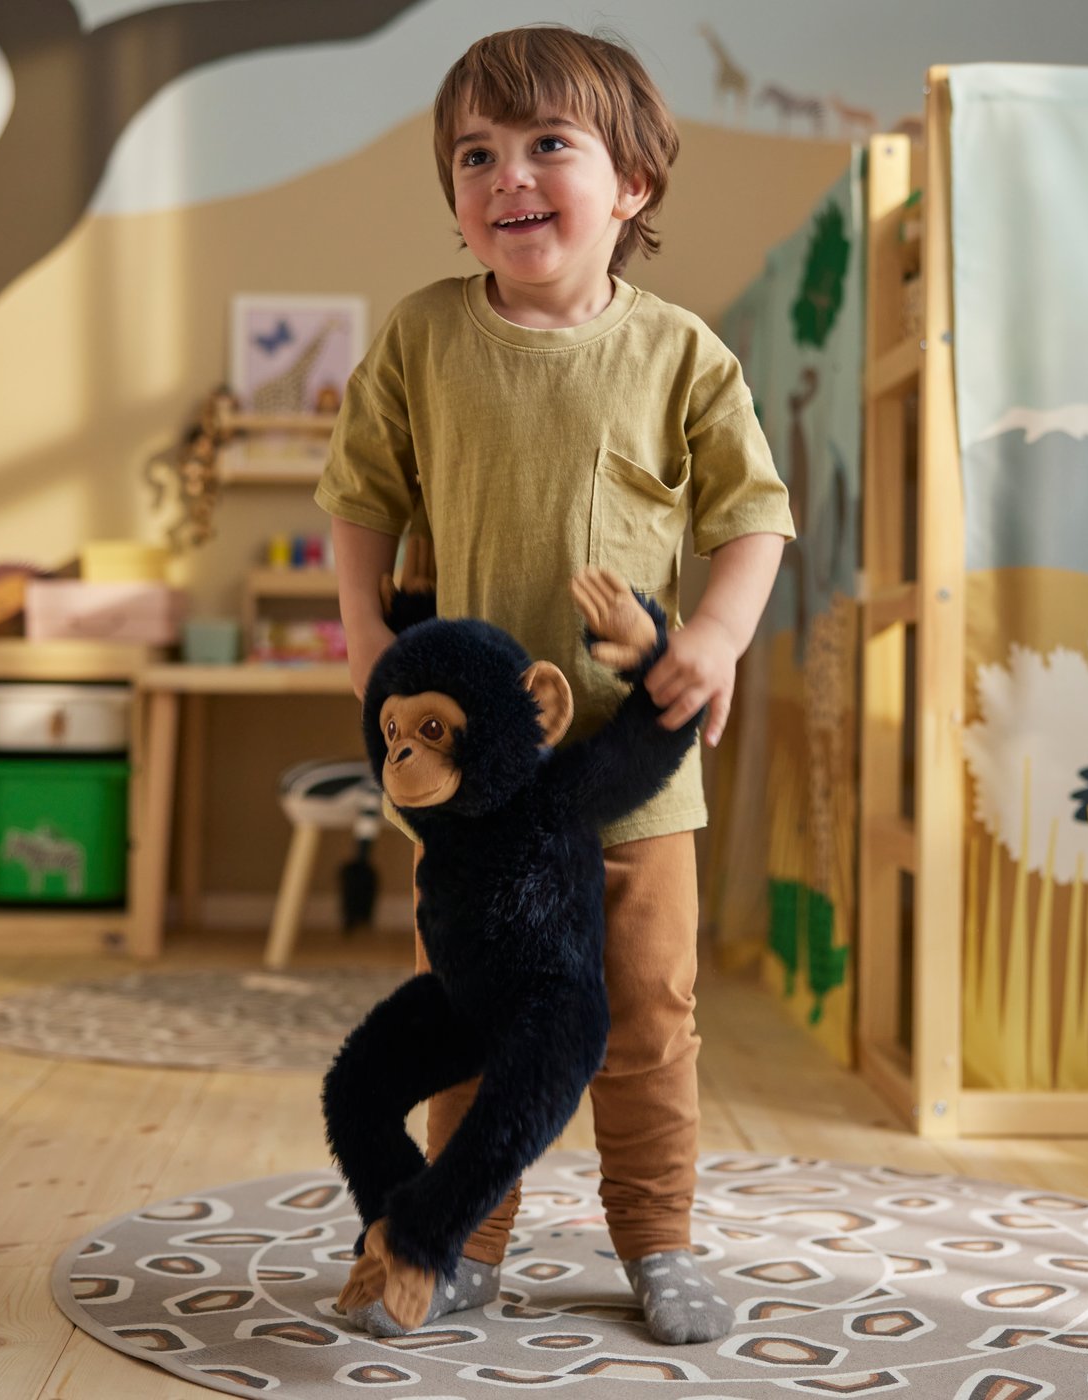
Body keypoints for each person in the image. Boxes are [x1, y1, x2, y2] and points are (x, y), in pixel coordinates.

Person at [315, 23, 794, 1345]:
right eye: (477, 154)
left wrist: (722, 635)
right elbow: (361, 497)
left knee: (644, 1018)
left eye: (547, 145)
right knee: (472, 1022)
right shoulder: (422, 339)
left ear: (629, 184)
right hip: (475, 804)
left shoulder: (681, 353)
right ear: (456, 196)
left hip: (629, 785)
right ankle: (464, 1242)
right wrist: (362, 631)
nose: (508, 174)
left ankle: (660, 1236)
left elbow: (754, 511)